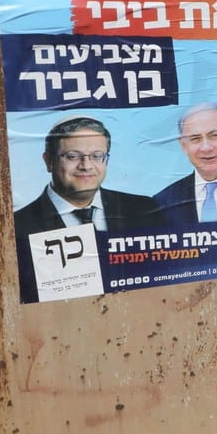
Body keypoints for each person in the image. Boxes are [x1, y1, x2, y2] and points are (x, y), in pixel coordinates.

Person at [14, 116, 161, 302]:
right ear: (48, 161)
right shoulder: (17, 227)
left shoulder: (145, 210)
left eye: (97, 156)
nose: (86, 166)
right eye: (72, 156)